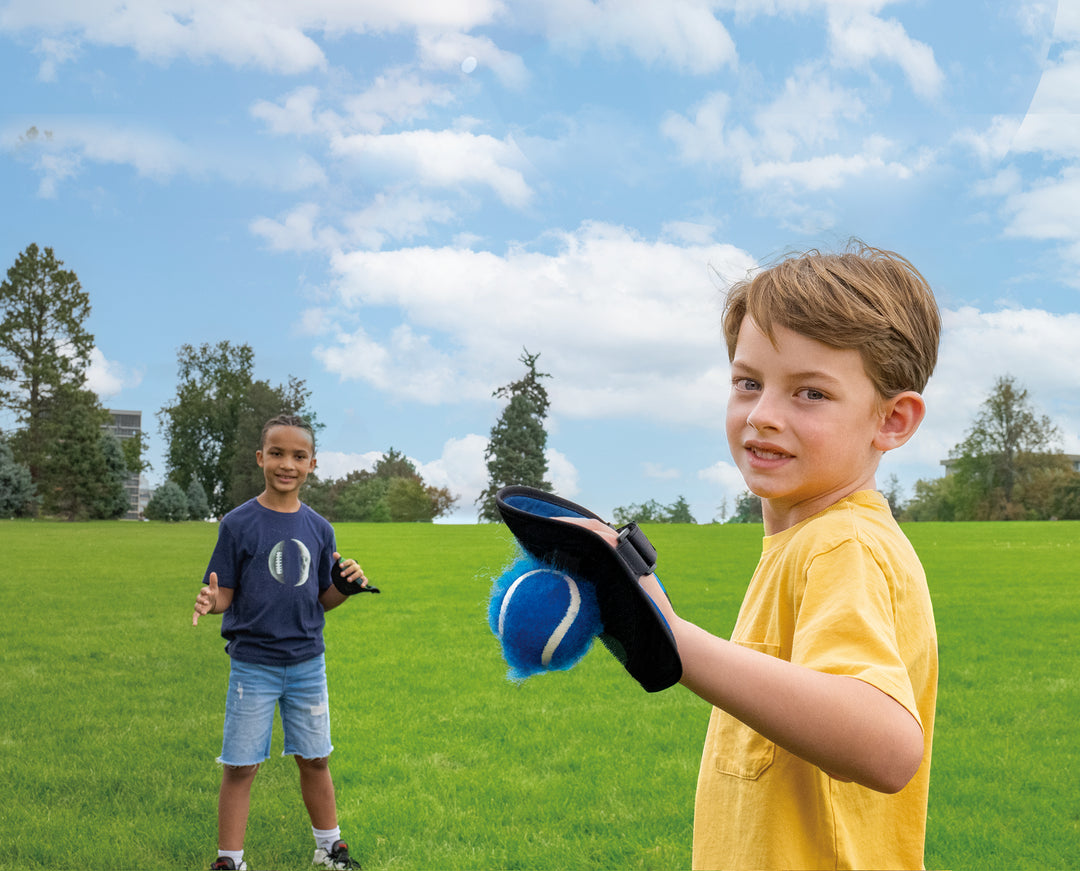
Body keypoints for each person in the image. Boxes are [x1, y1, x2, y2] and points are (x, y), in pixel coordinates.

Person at [570, 243, 941, 869]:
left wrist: (671, 639)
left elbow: (886, 746)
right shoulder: (802, 541)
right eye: (749, 383)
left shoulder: (841, 543)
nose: (763, 415)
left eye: (811, 394)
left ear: (892, 420)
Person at [192, 414, 371, 871]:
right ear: (260, 458)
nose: (286, 464)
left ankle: (329, 848)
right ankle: (229, 860)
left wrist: (345, 588)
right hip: (253, 665)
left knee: (315, 759)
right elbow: (225, 591)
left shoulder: (320, 529)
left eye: (297, 456)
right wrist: (213, 600)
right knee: (240, 766)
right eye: (277, 453)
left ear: (312, 464)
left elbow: (320, 600)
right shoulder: (238, 523)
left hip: (307, 664)